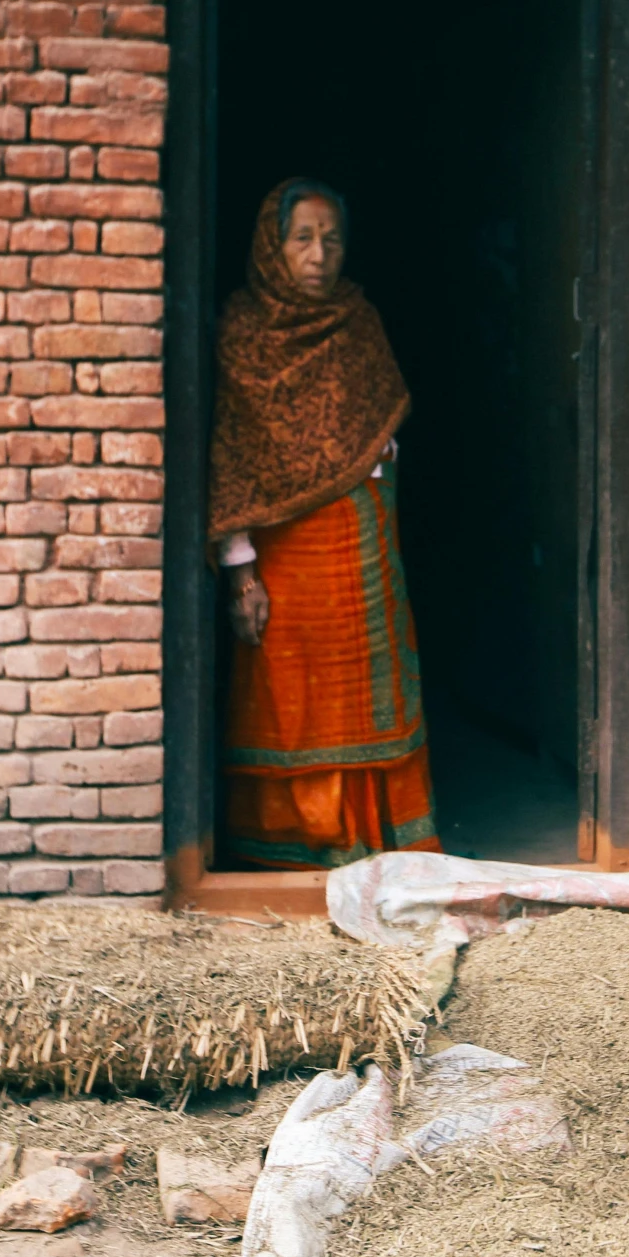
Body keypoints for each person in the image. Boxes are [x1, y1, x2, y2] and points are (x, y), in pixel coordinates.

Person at [207, 178, 441, 869]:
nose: (319, 254)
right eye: (302, 237)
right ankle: (300, 840)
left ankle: (373, 838)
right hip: (286, 548)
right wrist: (239, 572)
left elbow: (378, 431)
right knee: (292, 686)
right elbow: (231, 459)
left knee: (366, 689)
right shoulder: (243, 334)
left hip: (363, 539)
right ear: (271, 247)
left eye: (331, 238)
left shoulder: (357, 321)